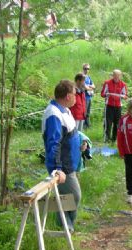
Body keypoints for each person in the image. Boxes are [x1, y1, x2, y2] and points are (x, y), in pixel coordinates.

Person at [42, 80, 83, 233]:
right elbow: (54, 143)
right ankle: (65, 227)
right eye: (74, 94)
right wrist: (57, 169)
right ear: (67, 96)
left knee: (69, 197)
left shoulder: (65, 110)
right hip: (63, 166)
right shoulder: (54, 114)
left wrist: (81, 142)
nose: (76, 98)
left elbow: (70, 133)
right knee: (74, 196)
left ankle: (66, 228)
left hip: (70, 162)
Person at [101, 69, 128, 143]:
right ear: (112, 75)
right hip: (109, 105)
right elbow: (102, 94)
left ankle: (114, 139)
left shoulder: (123, 84)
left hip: (118, 106)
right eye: (114, 75)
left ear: (120, 76)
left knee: (117, 123)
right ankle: (106, 139)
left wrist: (122, 96)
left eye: (118, 76)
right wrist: (107, 94)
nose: (116, 77)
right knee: (108, 123)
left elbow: (126, 96)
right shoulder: (107, 83)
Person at [82, 63, 95, 129]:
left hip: (89, 97)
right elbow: (85, 87)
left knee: (88, 112)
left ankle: (88, 125)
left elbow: (93, 86)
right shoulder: (81, 77)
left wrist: (89, 86)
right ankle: (84, 125)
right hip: (84, 97)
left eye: (88, 69)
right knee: (85, 111)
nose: (87, 70)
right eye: (85, 69)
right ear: (83, 69)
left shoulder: (88, 77)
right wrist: (90, 87)